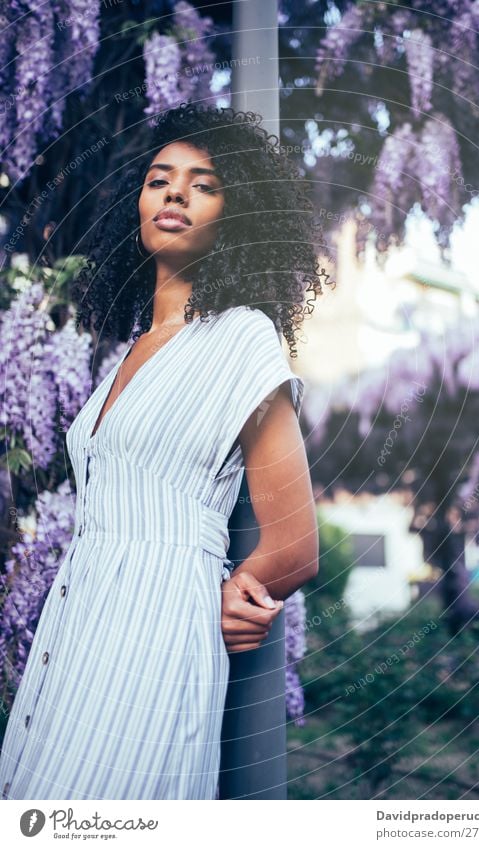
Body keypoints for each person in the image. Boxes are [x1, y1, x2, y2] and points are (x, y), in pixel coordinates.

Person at [0, 103, 332, 800]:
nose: (175, 192)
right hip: (74, 624)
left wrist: (236, 592)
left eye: (203, 183)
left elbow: (296, 544)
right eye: (160, 178)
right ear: (139, 201)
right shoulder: (128, 350)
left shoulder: (243, 336)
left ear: (234, 215)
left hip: (156, 632)